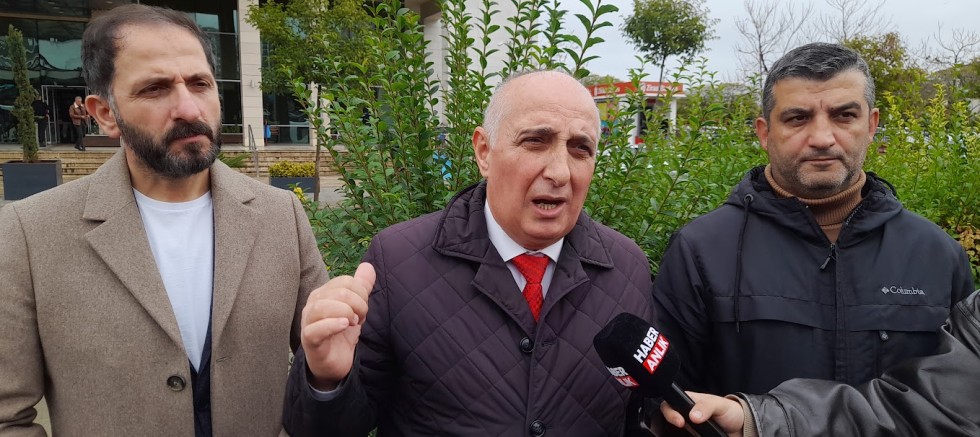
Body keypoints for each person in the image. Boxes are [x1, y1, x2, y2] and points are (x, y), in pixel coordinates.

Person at [0, 5, 329, 436]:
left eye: (199, 83)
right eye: (155, 89)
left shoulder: (280, 215)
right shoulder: (30, 233)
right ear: (105, 113)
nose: (188, 108)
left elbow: (323, 366)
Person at [282, 70, 656, 436]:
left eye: (580, 149)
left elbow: (639, 413)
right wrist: (325, 381)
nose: (560, 172)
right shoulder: (397, 262)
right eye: (535, 141)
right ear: (484, 152)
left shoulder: (628, 270)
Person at [651, 43, 974, 400]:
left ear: (872, 125)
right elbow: (669, 403)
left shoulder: (938, 255)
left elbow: (961, 399)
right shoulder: (701, 252)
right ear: (764, 132)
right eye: (797, 118)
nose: (822, 138)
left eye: (844, 115)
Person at [660, 288, 980, 437]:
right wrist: (755, 420)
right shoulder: (699, 246)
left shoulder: (937, 248)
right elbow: (927, 410)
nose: (823, 147)